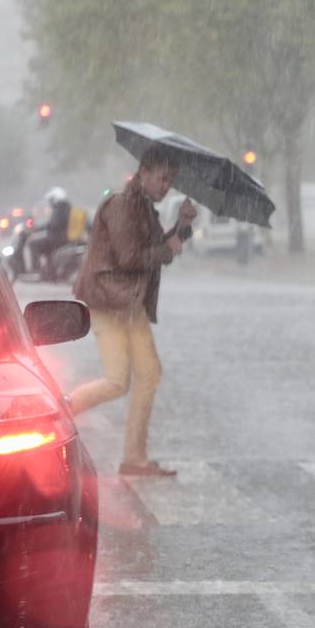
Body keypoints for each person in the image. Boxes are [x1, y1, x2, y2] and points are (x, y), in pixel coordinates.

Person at [69, 145, 197, 477]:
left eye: (171, 181)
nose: (166, 186)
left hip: (130, 304)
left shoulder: (144, 209)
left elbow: (158, 249)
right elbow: (131, 258)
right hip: (110, 302)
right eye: (162, 179)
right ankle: (61, 413)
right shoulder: (123, 205)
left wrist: (181, 225)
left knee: (149, 375)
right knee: (117, 381)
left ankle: (134, 459)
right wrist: (166, 248)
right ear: (143, 174)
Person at [28, 187, 72, 274]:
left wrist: (37, 228)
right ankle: (49, 269)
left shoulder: (61, 208)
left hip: (58, 238)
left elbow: (54, 224)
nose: (51, 202)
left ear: (57, 198)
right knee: (44, 246)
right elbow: (54, 224)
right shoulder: (65, 207)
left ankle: (36, 269)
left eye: (52, 199)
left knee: (32, 243)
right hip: (61, 237)